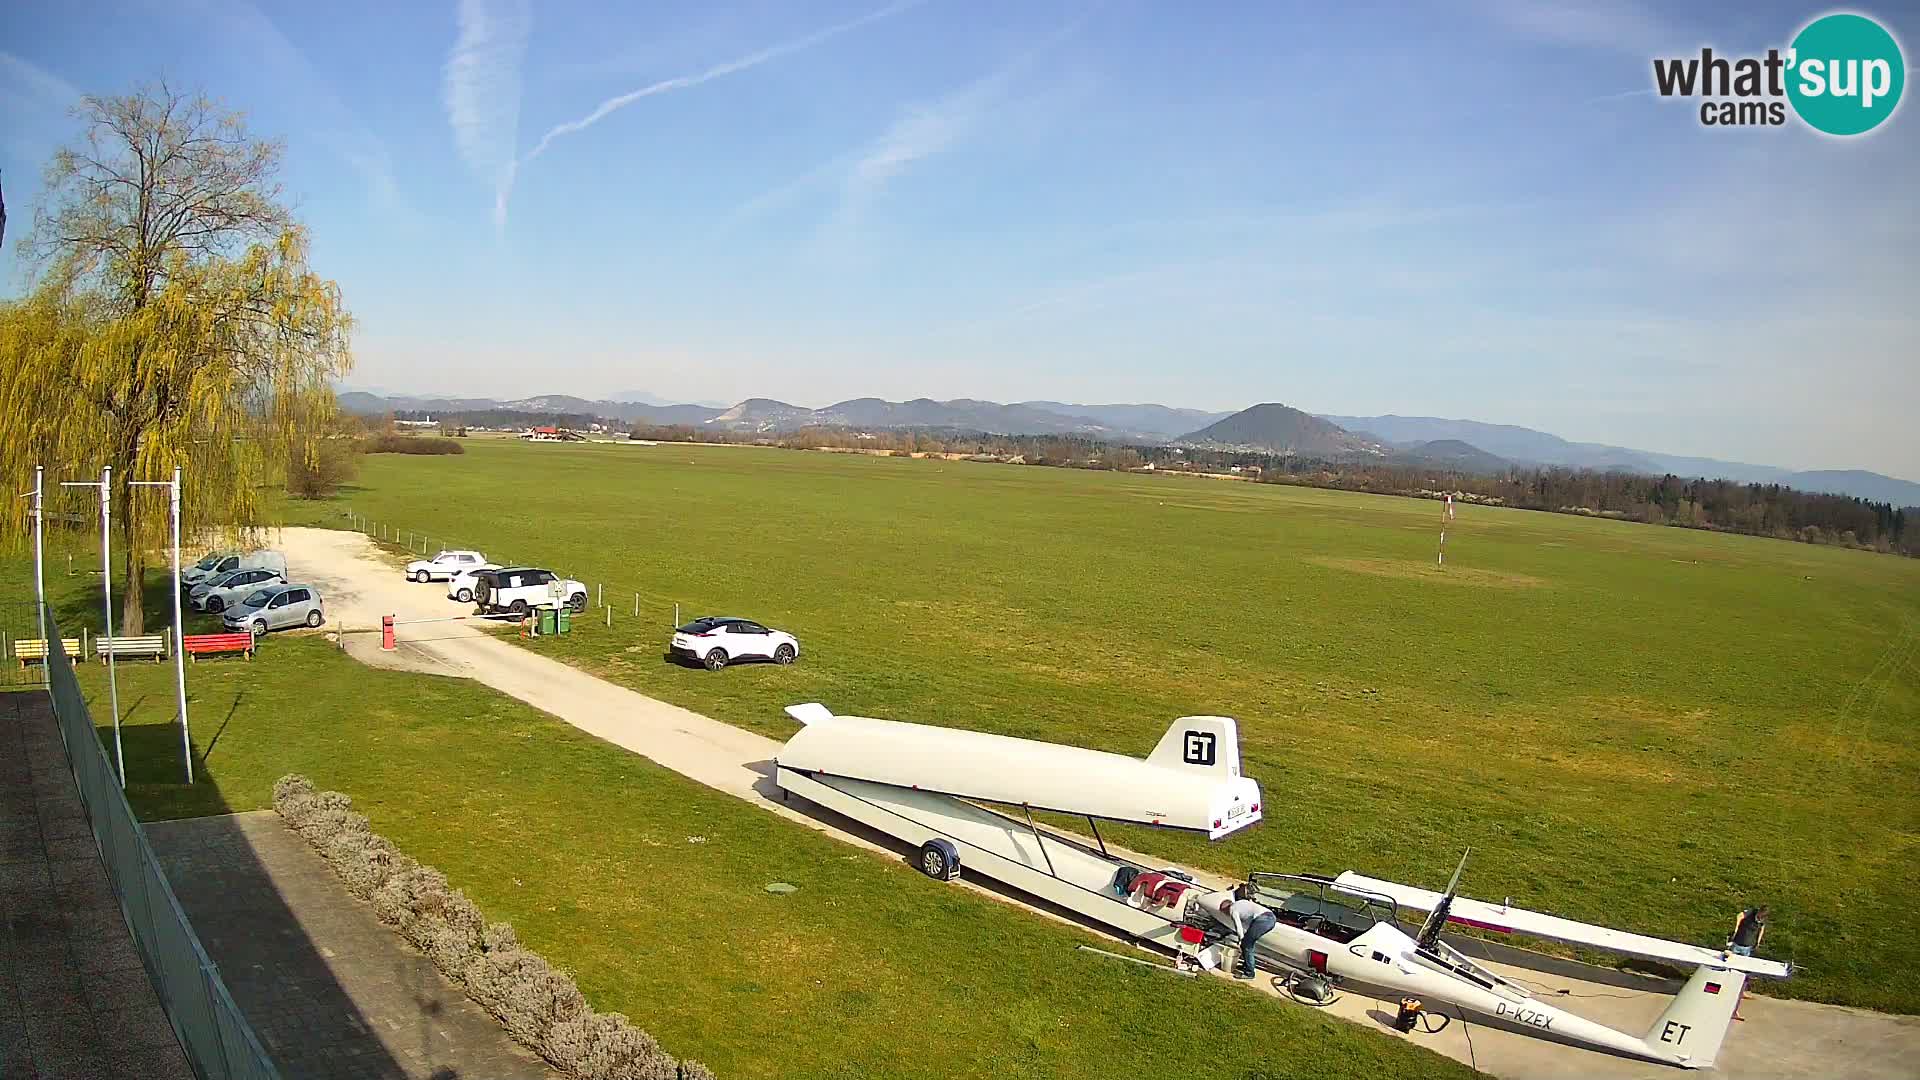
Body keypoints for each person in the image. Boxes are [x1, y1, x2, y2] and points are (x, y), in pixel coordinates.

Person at [1203, 883, 1278, 980]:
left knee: (1247, 945)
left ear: (1226, 909)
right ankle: (1246, 965)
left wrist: (1240, 939)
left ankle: (1249, 973)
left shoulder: (1233, 910)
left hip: (1263, 920)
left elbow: (1238, 927)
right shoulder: (1241, 902)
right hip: (1269, 916)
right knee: (1247, 944)